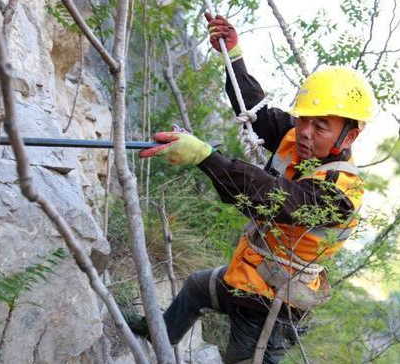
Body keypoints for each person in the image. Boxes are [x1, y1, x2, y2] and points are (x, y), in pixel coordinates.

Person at [130, 14, 377, 364]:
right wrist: (233, 56)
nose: (305, 131)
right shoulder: (296, 136)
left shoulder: (339, 194)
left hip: (274, 307)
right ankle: (155, 334)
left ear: (349, 135)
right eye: (304, 118)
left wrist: (204, 156)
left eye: (320, 126)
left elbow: (266, 196)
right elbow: (255, 111)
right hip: (247, 279)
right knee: (197, 288)